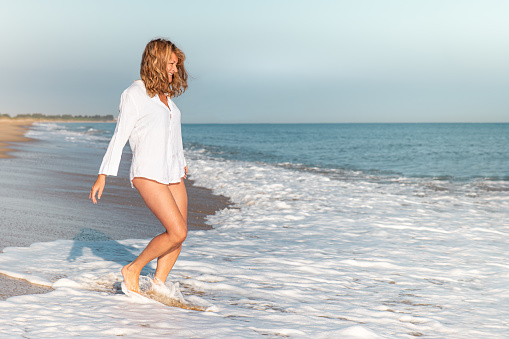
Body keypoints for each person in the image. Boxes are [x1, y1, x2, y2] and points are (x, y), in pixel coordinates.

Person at [89, 38, 189, 294]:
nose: (174, 70)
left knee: (180, 233)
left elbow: (171, 134)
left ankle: (158, 285)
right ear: (156, 61)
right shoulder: (134, 94)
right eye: (170, 64)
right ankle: (133, 269)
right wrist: (103, 174)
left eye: (176, 65)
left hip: (173, 171)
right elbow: (119, 135)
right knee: (176, 232)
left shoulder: (165, 97)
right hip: (148, 171)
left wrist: (182, 162)